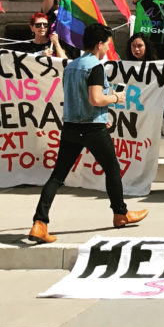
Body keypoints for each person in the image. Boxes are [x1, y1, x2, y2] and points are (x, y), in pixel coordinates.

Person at [27, 23, 147, 243]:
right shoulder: (95, 67)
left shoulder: (72, 66)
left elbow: (77, 98)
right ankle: (120, 214)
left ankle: (39, 223)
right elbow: (95, 99)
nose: (108, 48)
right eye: (108, 44)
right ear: (99, 44)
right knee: (112, 170)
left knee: (57, 176)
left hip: (71, 127)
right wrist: (115, 99)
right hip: (92, 127)